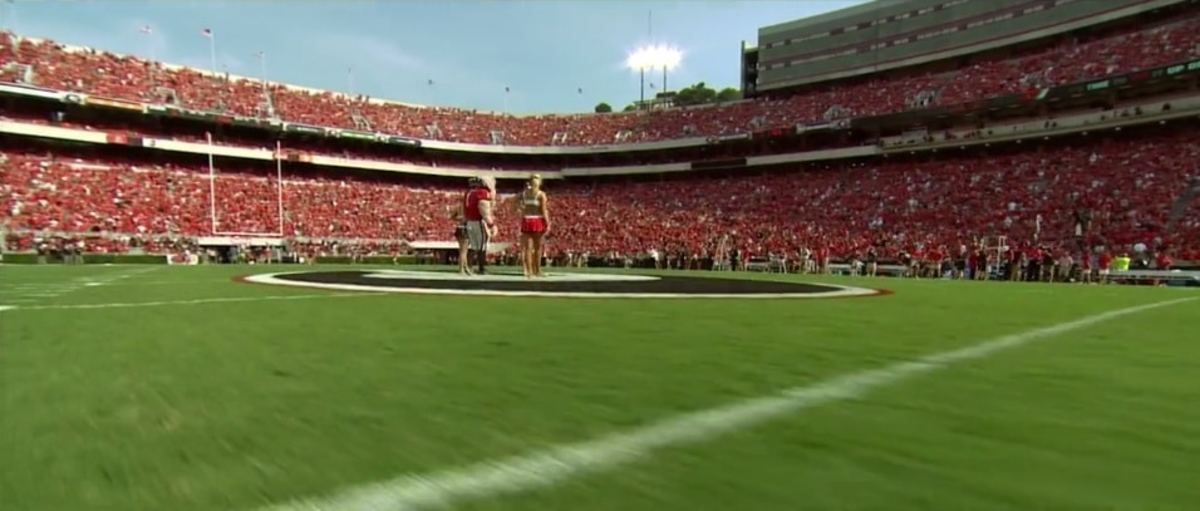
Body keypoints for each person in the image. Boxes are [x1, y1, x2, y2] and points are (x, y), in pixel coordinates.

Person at [517, 174, 551, 278]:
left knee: (528, 248)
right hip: (537, 220)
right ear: (539, 182)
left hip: (527, 220)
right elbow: (543, 210)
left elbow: (517, 205)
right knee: (537, 248)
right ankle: (537, 271)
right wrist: (548, 223)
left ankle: (530, 272)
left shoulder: (524, 193)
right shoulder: (541, 195)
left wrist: (521, 211)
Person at [463, 176, 497, 275]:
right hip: (478, 221)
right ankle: (481, 268)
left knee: (474, 246)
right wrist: (491, 225)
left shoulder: (468, 193)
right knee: (482, 246)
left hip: (470, 221)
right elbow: (484, 210)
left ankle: (468, 266)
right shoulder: (482, 193)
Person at [451, 206, 471, 275]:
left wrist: (459, 218)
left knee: (462, 250)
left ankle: (465, 268)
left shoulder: (459, 208)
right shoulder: (469, 208)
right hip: (465, 229)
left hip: (459, 229)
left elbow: (452, 217)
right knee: (464, 251)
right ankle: (462, 269)